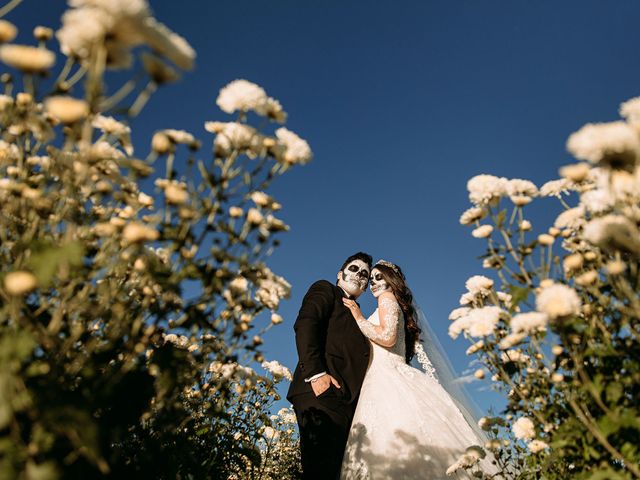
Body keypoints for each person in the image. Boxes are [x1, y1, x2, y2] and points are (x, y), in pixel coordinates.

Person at [340, 260, 494, 479]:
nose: (373, 282)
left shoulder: (386, 299)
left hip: (387, 379)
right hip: (382, 376)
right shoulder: (391, 304)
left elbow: (387, 337)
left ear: (391, 281)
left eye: (379, 277)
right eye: (371, 279)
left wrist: (358, 317)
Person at [287, 252, 373, 480]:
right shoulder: (326, 289)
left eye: (365, 274)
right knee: (320, 470)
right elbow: (306, 324)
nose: (359, 275)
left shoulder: (360, 317)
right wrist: (316, 374)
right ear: (340, 274)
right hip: (321, 393)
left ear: (366, 286)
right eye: (354, 268)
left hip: (347, 404)